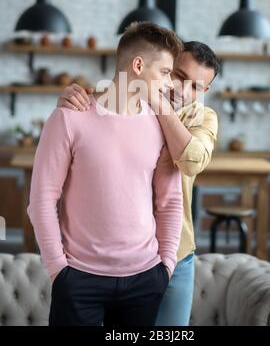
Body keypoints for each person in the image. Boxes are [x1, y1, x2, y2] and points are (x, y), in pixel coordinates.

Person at [28, 22, 183, 326]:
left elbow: (170, 201)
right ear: (138, 65)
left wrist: (166, 264)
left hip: (146, 278)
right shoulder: (68, 118)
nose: (169, 84)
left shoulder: (161, 125)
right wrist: (58, 270)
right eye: (165, 72)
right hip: (79, 279)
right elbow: (42, 200)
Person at [58, 35, 220, 326]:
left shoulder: (203, 118)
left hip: (176, 254)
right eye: (177, 75)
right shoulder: (122, 101)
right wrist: (69, 99)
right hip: (114, 261)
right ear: (165, 68)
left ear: (205, 90)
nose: (181, 89)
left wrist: (159, 104)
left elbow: (192, 160)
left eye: (195, 86)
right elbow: (83, 111)